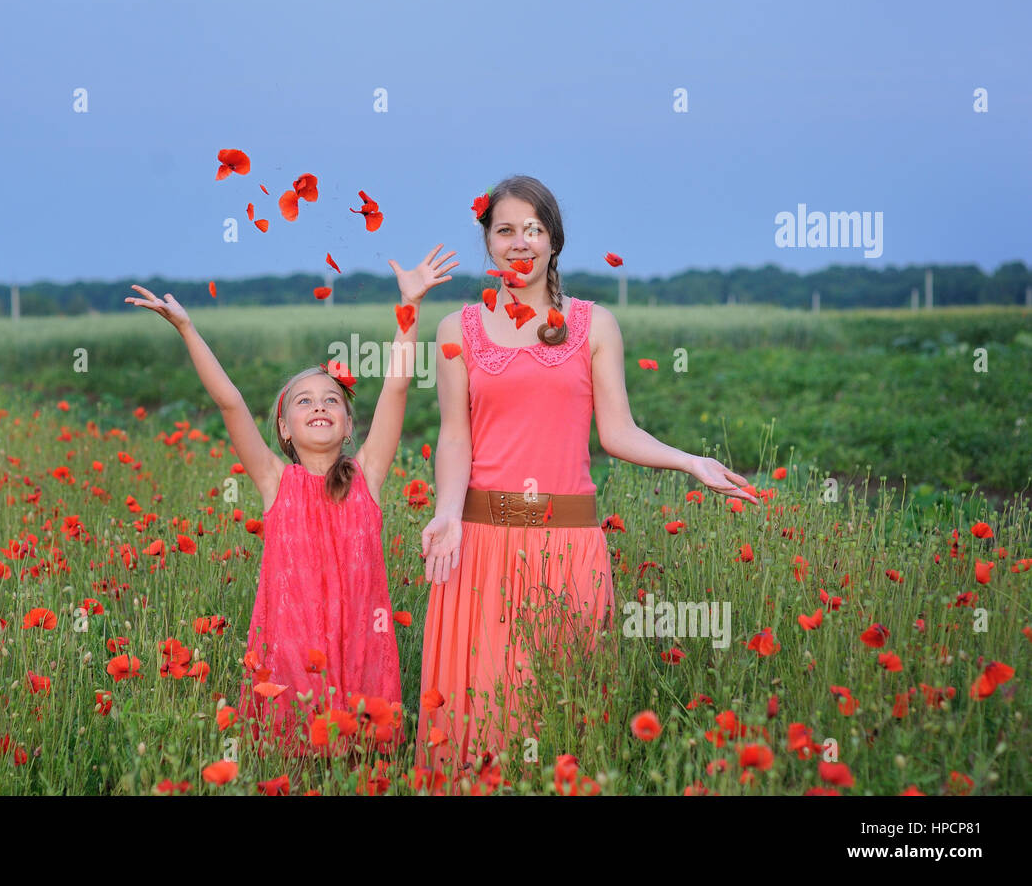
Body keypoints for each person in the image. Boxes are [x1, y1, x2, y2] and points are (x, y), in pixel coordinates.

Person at [416, 175, 758, 778]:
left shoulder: (594, 325)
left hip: (568, 545)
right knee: (483, 720)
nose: (519, 242)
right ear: (488, 242)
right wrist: (446, 512)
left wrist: (690, 462)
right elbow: (455, 437)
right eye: (505, 231)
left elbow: (617, 432)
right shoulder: (456, 330)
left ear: (554, 240)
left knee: (561, 716)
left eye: (533, 229)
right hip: (481, 543)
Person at [125, 244, 458, 756]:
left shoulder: (367, 474)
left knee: (364, 761)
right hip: (290, 654)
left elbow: (396, 388)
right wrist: (188, 329)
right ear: (284, 426)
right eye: (304, 401)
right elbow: (230, 401)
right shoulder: (274, 481)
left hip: (361, 648)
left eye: (331, 401)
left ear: (349, 426)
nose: (320, 406)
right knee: (295, 758)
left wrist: (409, 307)